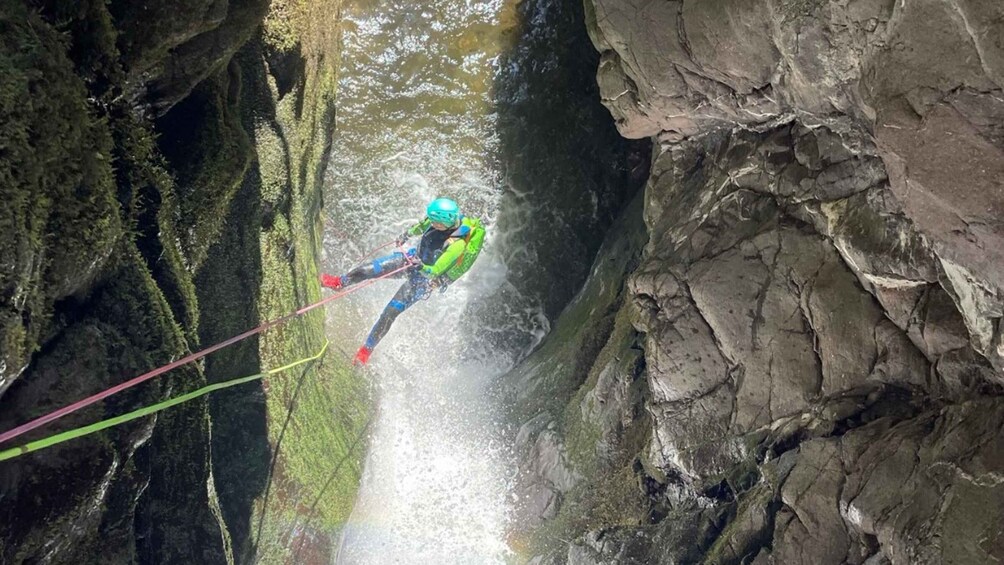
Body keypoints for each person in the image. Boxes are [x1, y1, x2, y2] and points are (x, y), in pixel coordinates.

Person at [320, 197, 486, 365]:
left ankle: (366, 350)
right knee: (368, 270)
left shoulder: (456, 245)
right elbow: (422, 226)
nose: (433, 224)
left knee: (390, 312)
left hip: (423, 279)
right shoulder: (439, 219)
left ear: (448, 221)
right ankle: (339, 283)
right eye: (432, 221)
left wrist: (421, 267)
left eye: (437, 223)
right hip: (412, 259)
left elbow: (435, 271)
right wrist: (407, 234)